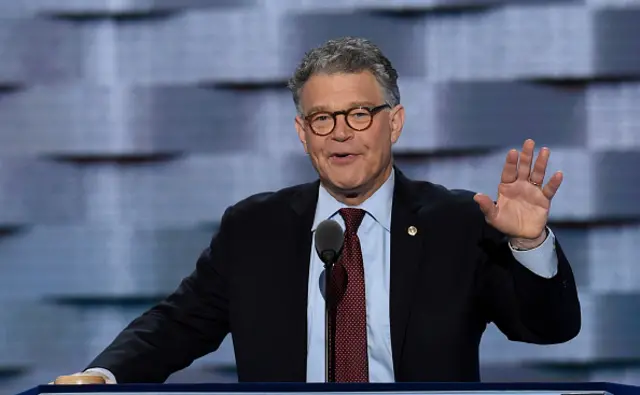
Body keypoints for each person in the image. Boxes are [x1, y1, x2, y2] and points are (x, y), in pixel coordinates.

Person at [56, 36, 580, 384]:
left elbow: (547, 329)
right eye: (322, 119)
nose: (341, 133)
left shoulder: (458, 222)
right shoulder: (254, 228)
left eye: (358, 113)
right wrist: (104, 377)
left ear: (393, 123)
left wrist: (529, 244)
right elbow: (177, 325)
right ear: (302, 134)